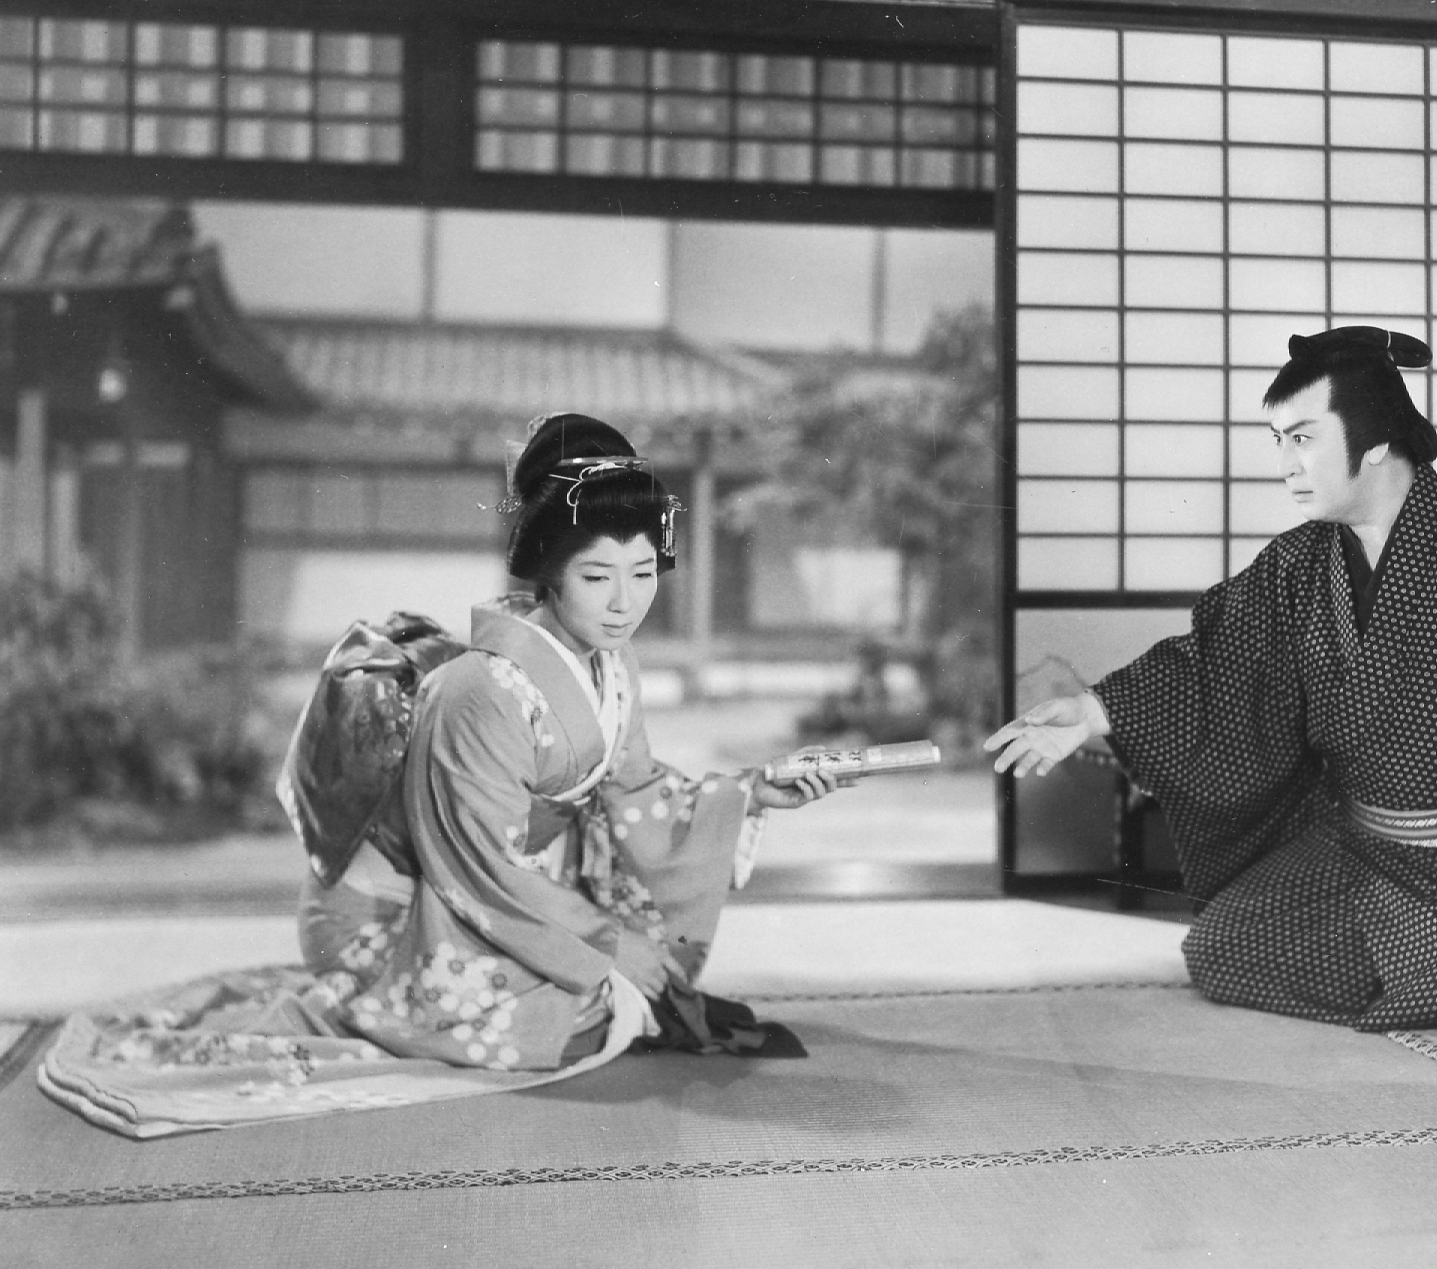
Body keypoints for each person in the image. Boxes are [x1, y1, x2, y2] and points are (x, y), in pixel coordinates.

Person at [40, 413, 845, 1137]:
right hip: (393, 909)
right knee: (571, 1016)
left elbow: (632, 794)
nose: (624, 602)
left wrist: (751, 793)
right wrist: (609, 948)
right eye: (598, 576)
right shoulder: (480, 687)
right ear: (547, 570)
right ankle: (363, 999)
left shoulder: (611, 664)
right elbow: (480, 865)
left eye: (642, 572)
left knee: (611, 1001)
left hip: (492, 895)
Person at [986, 327, 1437, 1032]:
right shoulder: (1297, 563)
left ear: (1375, 438)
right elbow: (1215, 661)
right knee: (1219, 950)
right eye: (1278, 441)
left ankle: (1432, 954)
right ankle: (1425, 965)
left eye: (1302, 438)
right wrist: (1092, 711)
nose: (1285, 465)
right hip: (1359, 848)